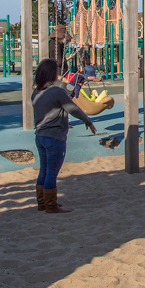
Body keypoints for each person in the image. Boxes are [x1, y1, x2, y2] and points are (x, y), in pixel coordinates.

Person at [31, 58, 98, 213]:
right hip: (54, 136)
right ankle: (51, 205)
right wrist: (87, 121)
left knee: (44, 169)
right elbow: (72, 108)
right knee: (52, 173)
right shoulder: (56, 91)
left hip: (40, 135)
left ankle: (42, 202)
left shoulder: (36, 92)